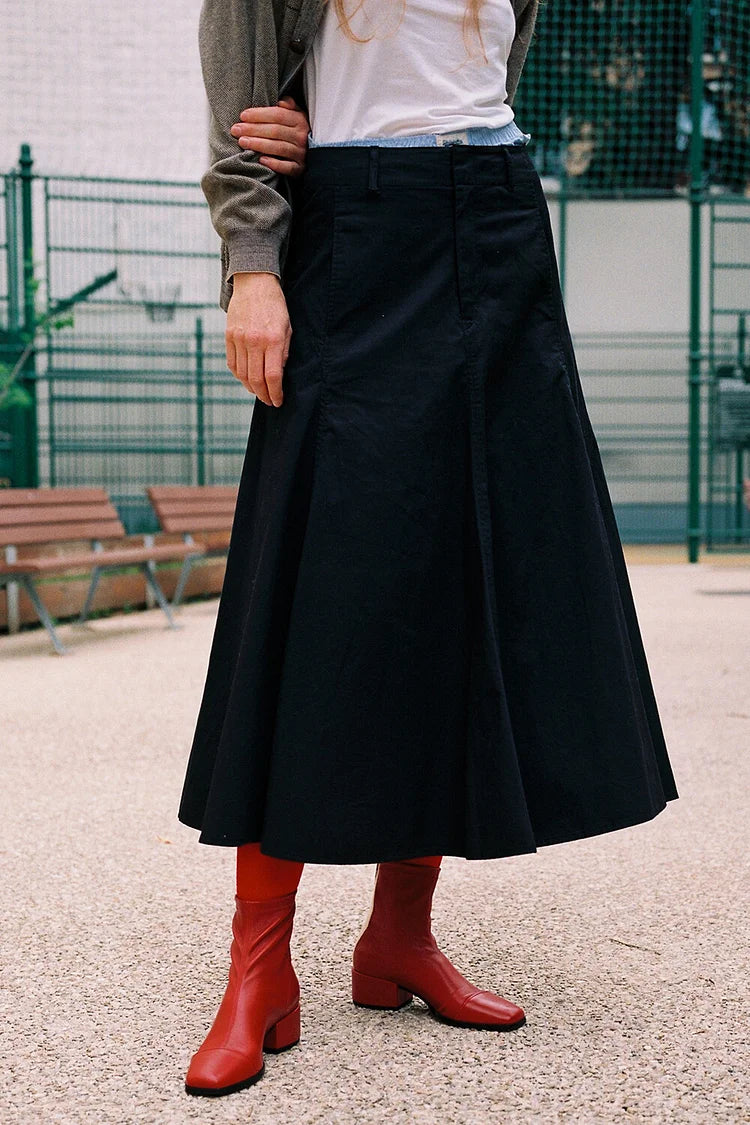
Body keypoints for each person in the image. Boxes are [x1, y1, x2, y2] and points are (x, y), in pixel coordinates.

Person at [178, 0, 679, 1098]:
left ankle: (398, 940)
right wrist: (252, 265)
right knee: (320, 590)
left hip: (497, 223)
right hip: (350, 238)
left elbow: (479, 76)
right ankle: (258, 970)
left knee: (467, 579)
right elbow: (242, 98)